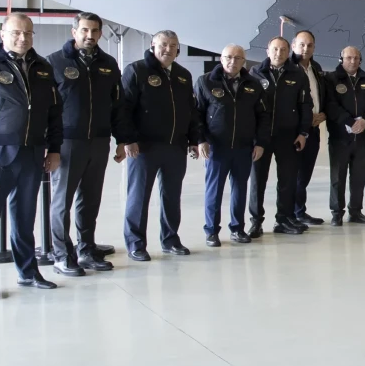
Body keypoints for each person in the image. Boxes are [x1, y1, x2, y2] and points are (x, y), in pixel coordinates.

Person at [0, 14, 63, 299]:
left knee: (24, 219)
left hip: (32, 155)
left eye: (28, 33)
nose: (23, 38)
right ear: (2, 34)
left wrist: (54, 148)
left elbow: (55, 113)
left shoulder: (43, 68)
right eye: (16, 32)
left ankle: (28, 273)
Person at [45, 13, 121, 276]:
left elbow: (118, 105)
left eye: (95, 31)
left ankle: (86, 250)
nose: (90, 35)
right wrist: (50, 145)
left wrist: (121, 139)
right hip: (67, 142)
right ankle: (61, 255)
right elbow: (46, 107)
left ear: (100, 33)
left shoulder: (108, 64)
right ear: (74, 31)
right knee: (62, 202)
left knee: (90, 200)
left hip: (99, 141)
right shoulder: (54, 62)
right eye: (85, 30)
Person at [118, 31, 200, 261]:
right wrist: (128, 139)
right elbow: (123, 108)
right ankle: (136, 244)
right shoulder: (136, 70)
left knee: (172, 197)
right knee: (139, 197)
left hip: (175, 146)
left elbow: (191, 110)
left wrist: (193, 140)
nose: (168, 49)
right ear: (153, 45)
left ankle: (170, 239)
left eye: (173, 45)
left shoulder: (183, 75)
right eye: (163, 44)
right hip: (144, 147)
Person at [196, 45, 267, 246]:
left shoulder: (253, 84)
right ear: (221, 58)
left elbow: (263, 116)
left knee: (240, 189)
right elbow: (197, 114)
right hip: (217, 147)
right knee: (214, 190)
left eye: (237, 58)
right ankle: (211, 231)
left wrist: (260, 143)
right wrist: (201, 140)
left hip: (244, 147)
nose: (232, 62)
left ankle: (237, 228)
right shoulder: (205, 81)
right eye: (228, 57)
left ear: (244, 61)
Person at [248, 37, 313, 236]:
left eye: (283, 49)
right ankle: (256, 222)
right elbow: (247, 106)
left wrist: (303, 133)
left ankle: (283, 220)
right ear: (268, 51)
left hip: (288, 136)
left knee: (287, 180)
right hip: (261, 138)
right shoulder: (254, 73)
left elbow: (305, 105)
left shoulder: (298, 74)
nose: (279, 53)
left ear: (288, 52)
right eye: (275, 49)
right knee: (257, 181)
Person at [327, 46, 365, 225]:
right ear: (341, 59)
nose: (352, 61)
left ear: (360, 60)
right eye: (349, 58)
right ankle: (337, 213)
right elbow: (330, 105)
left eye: (356, 58)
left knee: (359, 177)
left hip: (363, 138)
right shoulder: (331, 79)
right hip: (340, 138)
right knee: (338, 177)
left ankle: (356, 211)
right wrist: (349, 122)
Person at [290, 30, 329, 226]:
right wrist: (304, 118)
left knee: (304, 174)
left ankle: (299, 212)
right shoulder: (288, 68)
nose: (306, 48)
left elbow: (322, 95)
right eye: (302, 45)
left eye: (310, 45)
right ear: (293, 46)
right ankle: (289, 215)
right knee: (292, 175)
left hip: (313, 129)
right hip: (295, 130)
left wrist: (323, 114)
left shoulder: (316, 68)